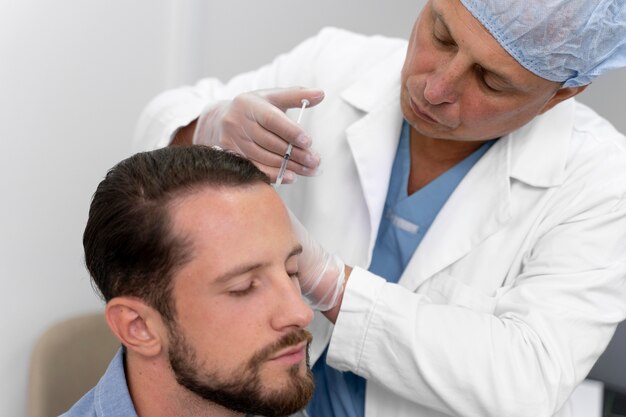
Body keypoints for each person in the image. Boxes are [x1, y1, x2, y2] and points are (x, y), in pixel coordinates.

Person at [134, 1, 626, 416]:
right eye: (441, 34)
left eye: (491, 83)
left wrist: (328, 281)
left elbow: (527, 379)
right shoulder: (337, 63)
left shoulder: (600, 181)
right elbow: (162, 120)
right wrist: (202, 130)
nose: (434, 89)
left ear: (560, 94)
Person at [62, 146, 316, 417]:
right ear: (138, 327)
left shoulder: (269, 395)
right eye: (244, 288)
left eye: (291, 271)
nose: (301, 313)